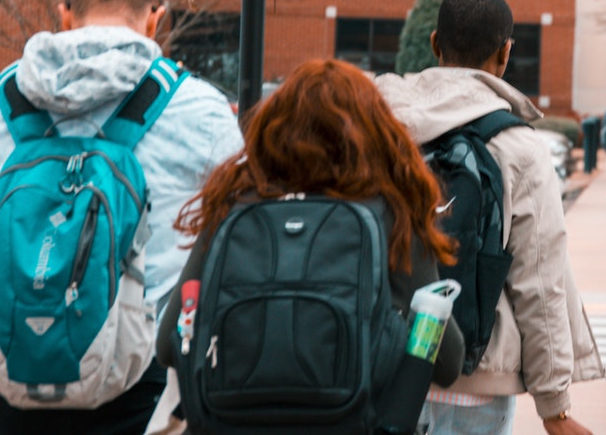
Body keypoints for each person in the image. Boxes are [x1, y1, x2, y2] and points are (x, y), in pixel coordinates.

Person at [0, 0, 244, 435]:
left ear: (65, 14)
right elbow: (235, 252)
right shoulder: (201, 111)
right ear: (155, 18)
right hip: (140, 382)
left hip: (12, 378)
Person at [156, 60, 465, 420]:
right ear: (373, 133)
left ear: (273, 129)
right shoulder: (389, 215)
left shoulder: (235, 208)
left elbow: (169, 344)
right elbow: (448, 362)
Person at [375, 0, 603, 435]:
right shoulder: (518, 146)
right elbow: (541, 282)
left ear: (435, 43)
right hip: (475, 380)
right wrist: (553, 407)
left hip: (385, 364)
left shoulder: (381, 125)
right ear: (505, 54)